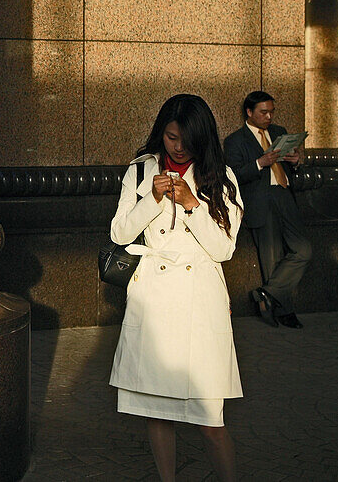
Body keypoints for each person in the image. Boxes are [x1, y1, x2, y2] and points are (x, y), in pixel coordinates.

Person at [108, 94, 243, 482]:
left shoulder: (221, 176)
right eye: (170, 137)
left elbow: (224, 249)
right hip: (153, 300)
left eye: (186, 139)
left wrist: (191, 205)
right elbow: (119, 232)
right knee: (155, 410)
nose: (179, 146)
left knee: (209, 417)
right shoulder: (139, 171)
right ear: (160, 133)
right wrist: (151, 200)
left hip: (200, 302)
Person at [223, 91, 311, 329]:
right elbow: (233, 176)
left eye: (272, 111)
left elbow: (291, 167)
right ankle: (284, 312)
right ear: (249, 112)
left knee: (303, 250)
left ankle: (266, 293)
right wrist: (259, 163)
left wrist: (295, 163)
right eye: (263, 112)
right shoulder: (235, 140)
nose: (269, 116)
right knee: (271, 258)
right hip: (260, 201)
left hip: (284, 195)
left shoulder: (279, 132)